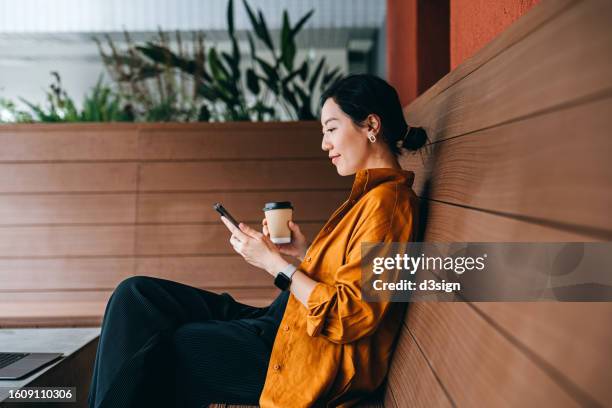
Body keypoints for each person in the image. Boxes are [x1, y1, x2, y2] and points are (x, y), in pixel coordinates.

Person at [87, 73, 427, 408]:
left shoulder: (388, 204)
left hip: (305, 358)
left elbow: (351, 316)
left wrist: (274, 264)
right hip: (282, 323)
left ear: (370, 125)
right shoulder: (370, 198)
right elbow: (355, 279)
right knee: (136, 295)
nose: (325, 144)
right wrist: (304, 254)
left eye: (331, 129)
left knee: (176, 346)